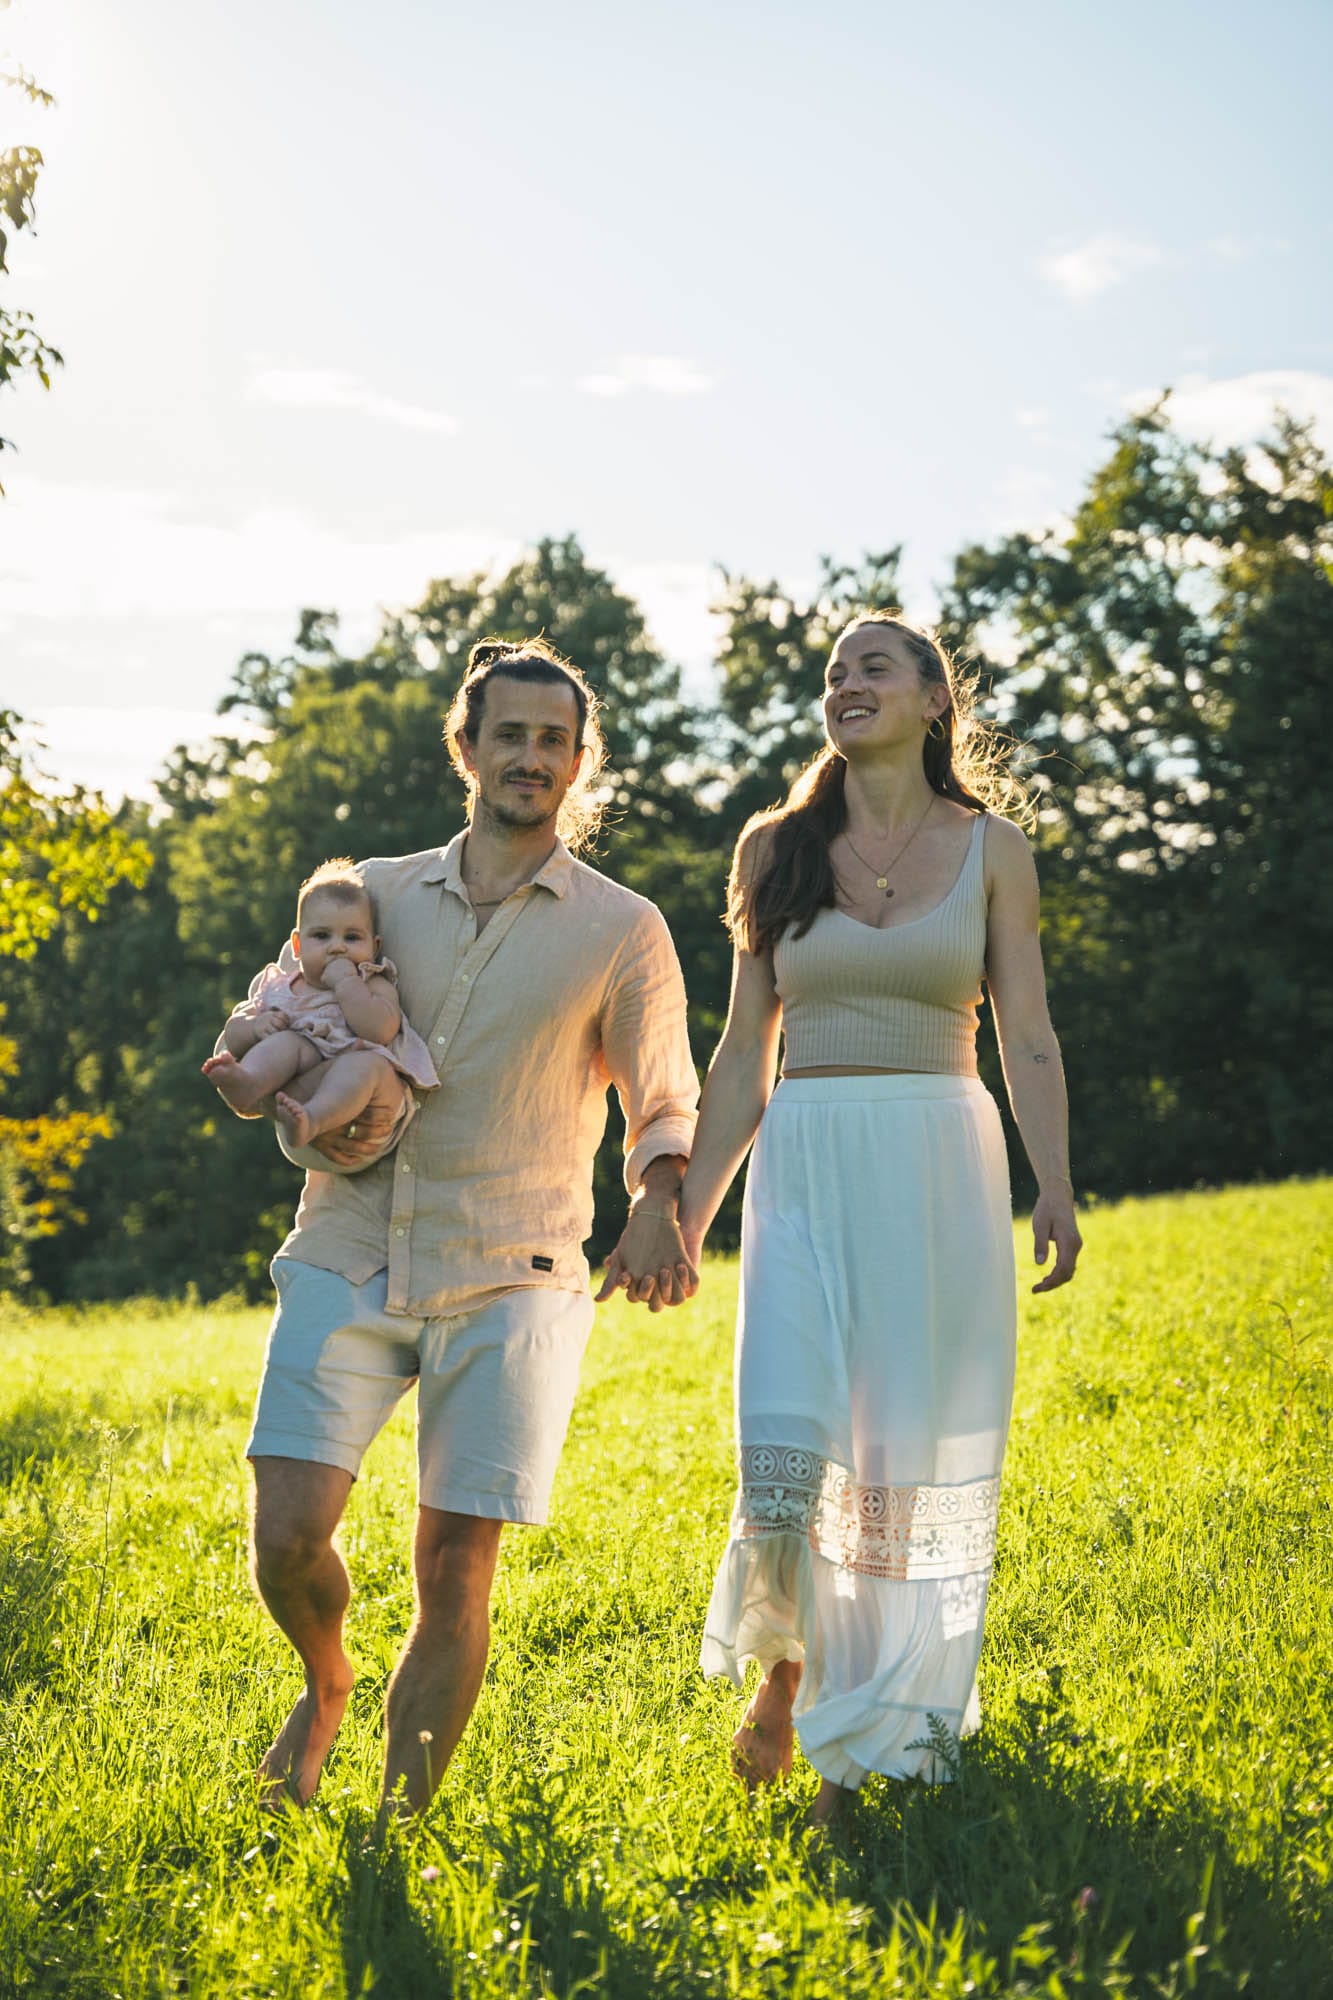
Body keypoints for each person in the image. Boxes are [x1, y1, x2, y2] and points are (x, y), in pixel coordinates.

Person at [222, 638, 699, 1817]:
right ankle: (327, 1679)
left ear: (579, 761)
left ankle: (398, 1828)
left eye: (553, 739)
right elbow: (276, 1019)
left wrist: (654, 1201)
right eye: (509, 734)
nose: (530, 756)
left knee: (454, 1563)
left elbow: (663, 1092)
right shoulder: (369, 892)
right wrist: (289, 1116)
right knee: (286, 1532)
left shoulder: (622, 927)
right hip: (351, 1241)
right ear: (467, 746)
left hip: (514, 1264)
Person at [676, 610, 1082, 1829]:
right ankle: (798, 1670)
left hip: (938, 1163)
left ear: (931, 700)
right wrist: (684, 1216)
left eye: (872, 667)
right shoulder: (775, 848)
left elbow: (1028, 1031)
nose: (845, 684)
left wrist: (1052, 1179)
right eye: (833, 672)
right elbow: (743, 1052)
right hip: (803, 1160)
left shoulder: (993, 847)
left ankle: (847, 1745)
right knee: (791, 1437)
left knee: (902, 1449)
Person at [202, 860, 439, 1167]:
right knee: (287, 1042)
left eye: (352, 938)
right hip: (305, 1067)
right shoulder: (279, 985)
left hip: (363, 1096)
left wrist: (346, 983)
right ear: (297, 945)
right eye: (322, 936)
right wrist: (256, 1026)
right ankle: (249, 1084)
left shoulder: (373, 982)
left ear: (374, 945)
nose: (337, 948)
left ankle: (311, 1119)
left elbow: (380, 1030)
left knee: (366, 1065)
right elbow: (233, 1035)